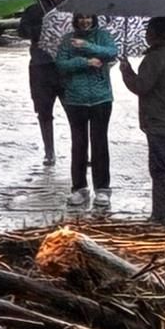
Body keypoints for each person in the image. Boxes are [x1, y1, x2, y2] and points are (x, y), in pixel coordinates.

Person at [119, 18, 165, 225]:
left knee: (159, 169)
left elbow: (141, 86)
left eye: (148, 31)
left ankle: (160, 215)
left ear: (156, 34)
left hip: (159, 121)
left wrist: (127, 72)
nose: (146, 35)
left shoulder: (155, 59)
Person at [55, 12, 119, 210]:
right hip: (76, 99)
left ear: (94, 19)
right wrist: (85, 62)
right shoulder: (67, 40)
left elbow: (112, 52)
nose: (85, 21)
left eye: (88, 17)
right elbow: (60, 64)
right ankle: (79, 188)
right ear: (76, 20)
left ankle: (102, 189)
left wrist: (87, 46)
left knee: (100, 143)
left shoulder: (103, 36)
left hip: (101, 98)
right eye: (81, 17)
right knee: (79, 144)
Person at [17, 0, 67, 165]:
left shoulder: (70, 0)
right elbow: (22, 30)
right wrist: (42, 30)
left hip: (65, 63)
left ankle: (82, 149)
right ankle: (49, 151)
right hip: (41, 64)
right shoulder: (34, 4)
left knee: (74, 108)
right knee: (44, 110)